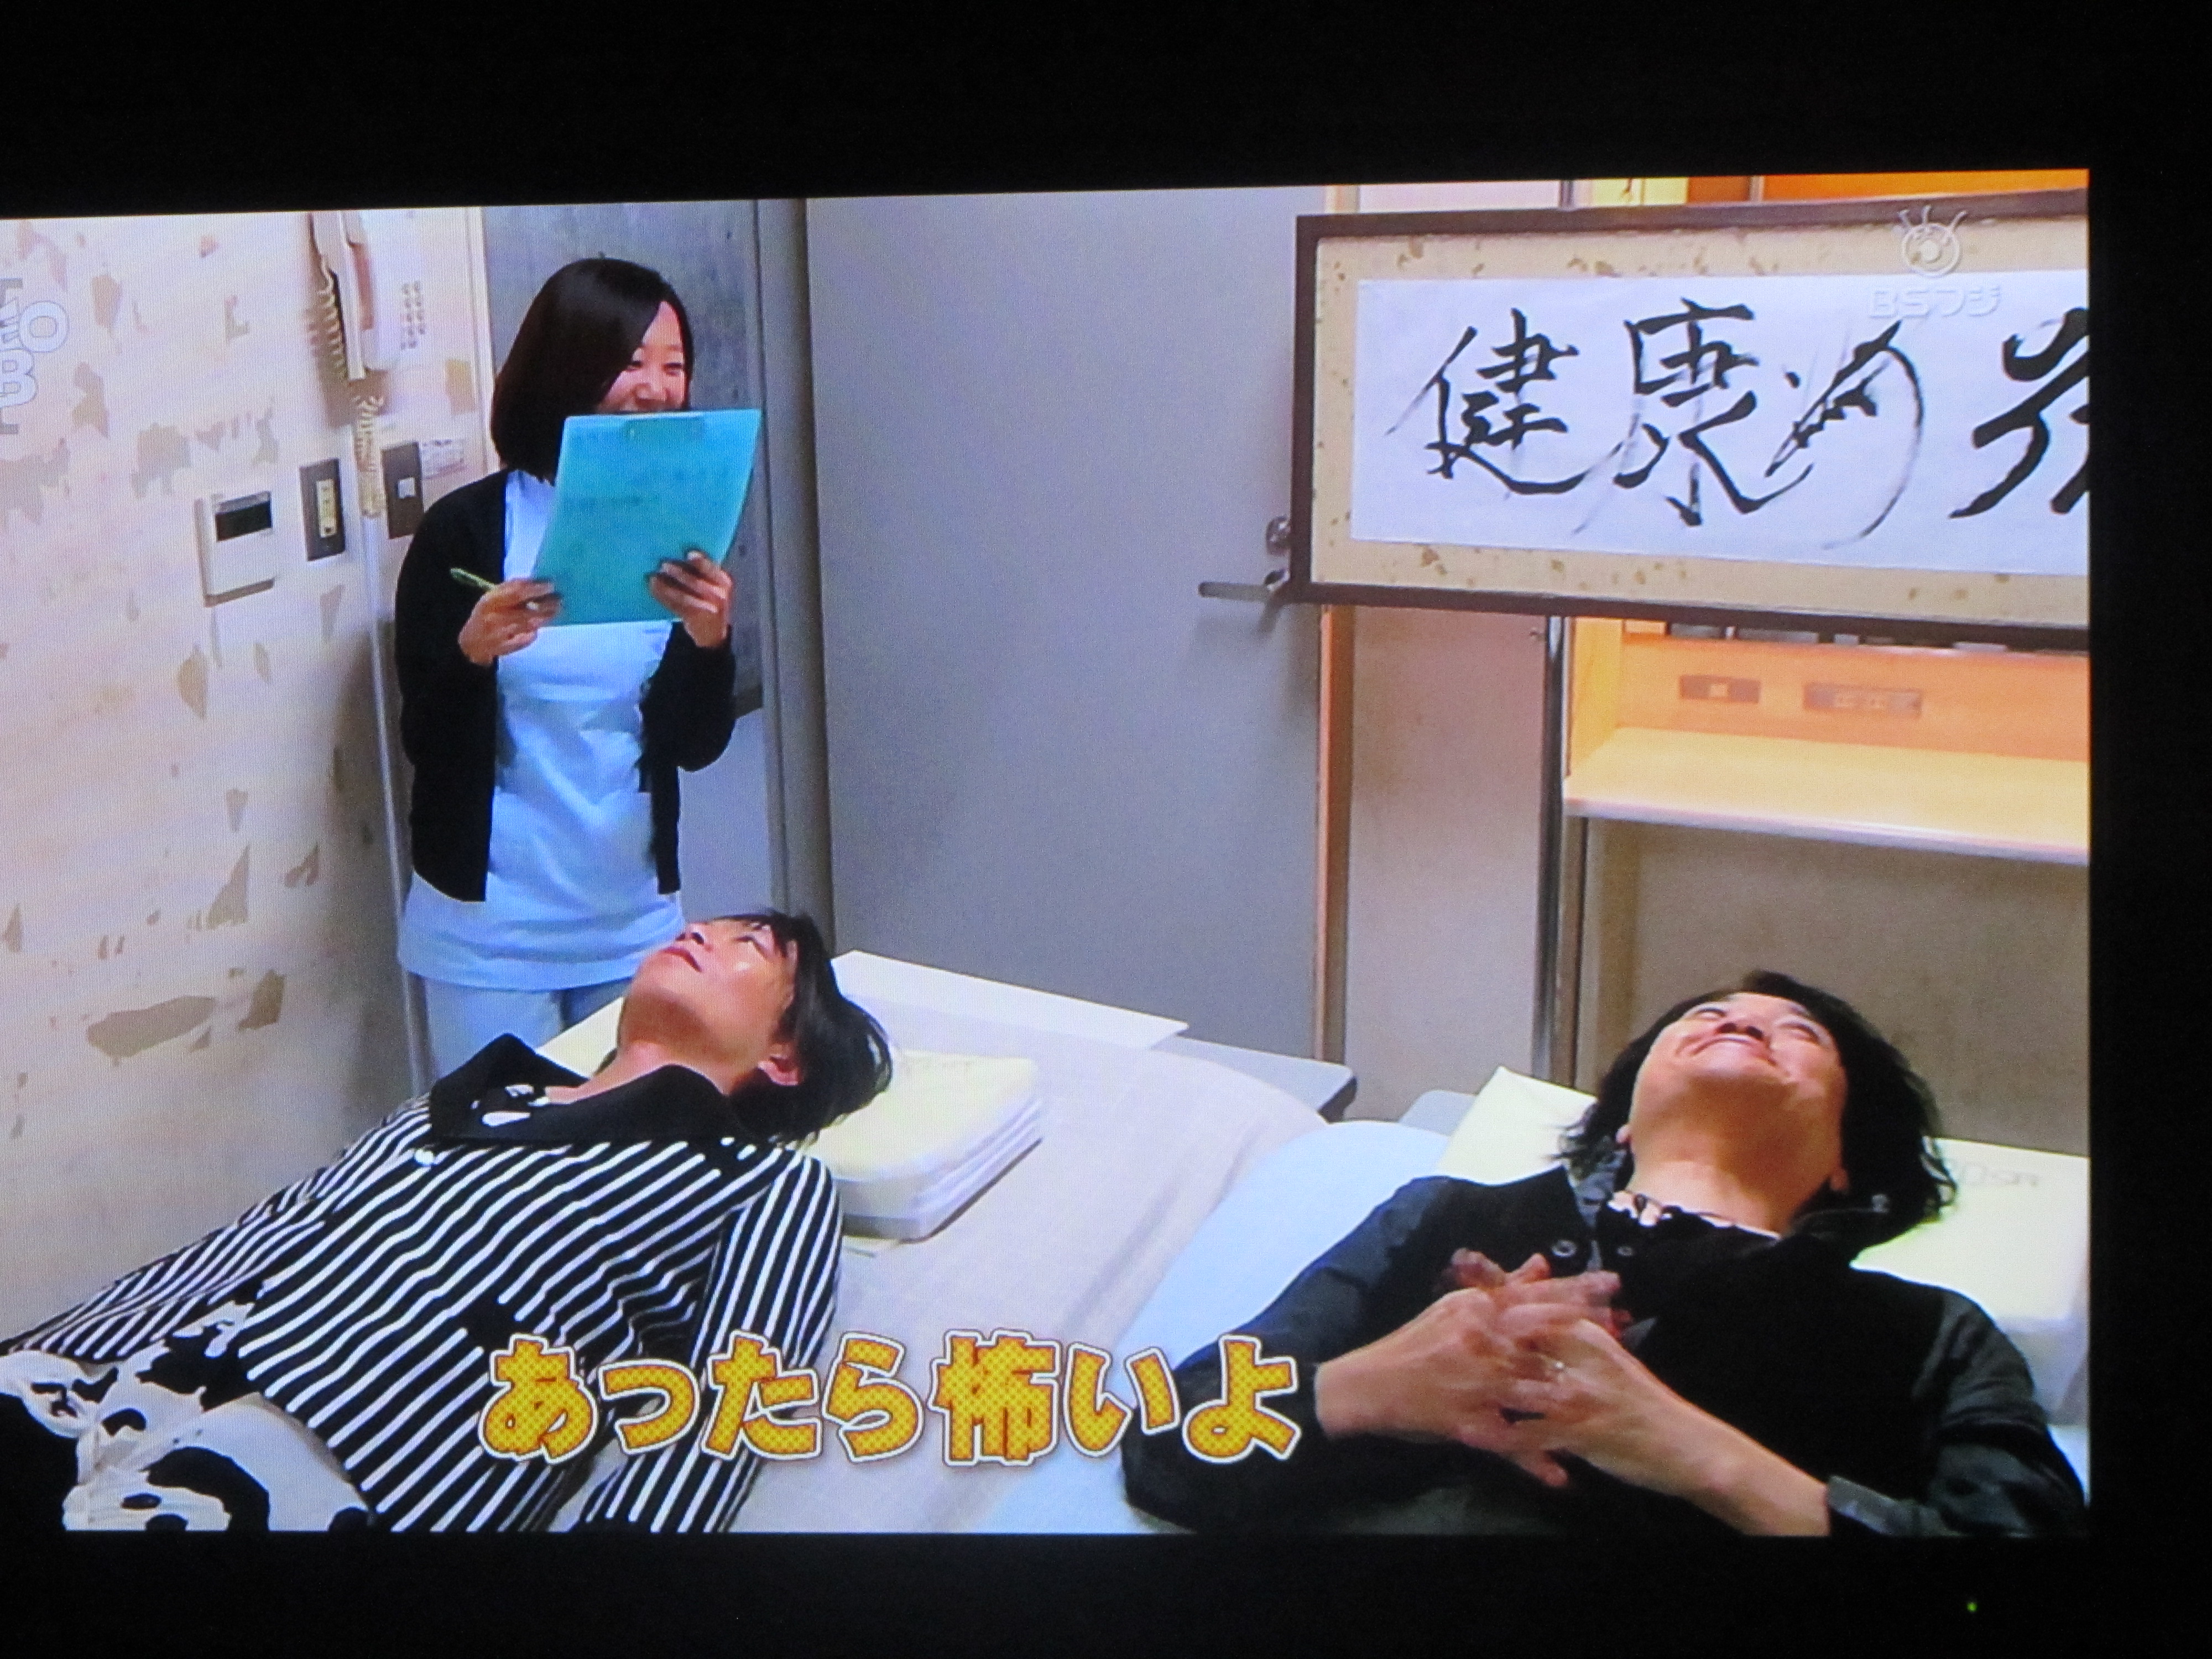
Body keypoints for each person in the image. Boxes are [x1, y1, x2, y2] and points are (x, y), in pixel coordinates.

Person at [0, 912, 891, 1533]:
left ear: (786, 1055)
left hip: (346, 1441)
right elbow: (269, 1224)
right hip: (102, 1362)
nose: (700, 932)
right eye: (710, 924)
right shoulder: (472, 1096)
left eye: (749, 945)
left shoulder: (762, 1180)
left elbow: (726, 1409)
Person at [1121, 973, 2088, 1537]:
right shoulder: (1446, 1217)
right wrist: (1369, 1388)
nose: (1742, 1021)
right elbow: (1167, 1446)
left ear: (1846, 1161)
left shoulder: (1925, 1333)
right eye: (1704, 1018)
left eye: (1798, 1034)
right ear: (1622, 1122)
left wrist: (1701, 1457)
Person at [394, 257, 744, 1076]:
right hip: (489, 933)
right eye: (630, 363)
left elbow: (694, 746)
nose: (656, 389)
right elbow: (426, 742)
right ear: (567, 367)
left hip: (631, 921)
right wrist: (473, 655)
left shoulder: (678, 529)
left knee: (628, 1138)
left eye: (673, 367)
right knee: (500, 1147)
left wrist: (710, 642)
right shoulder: (467, 531)